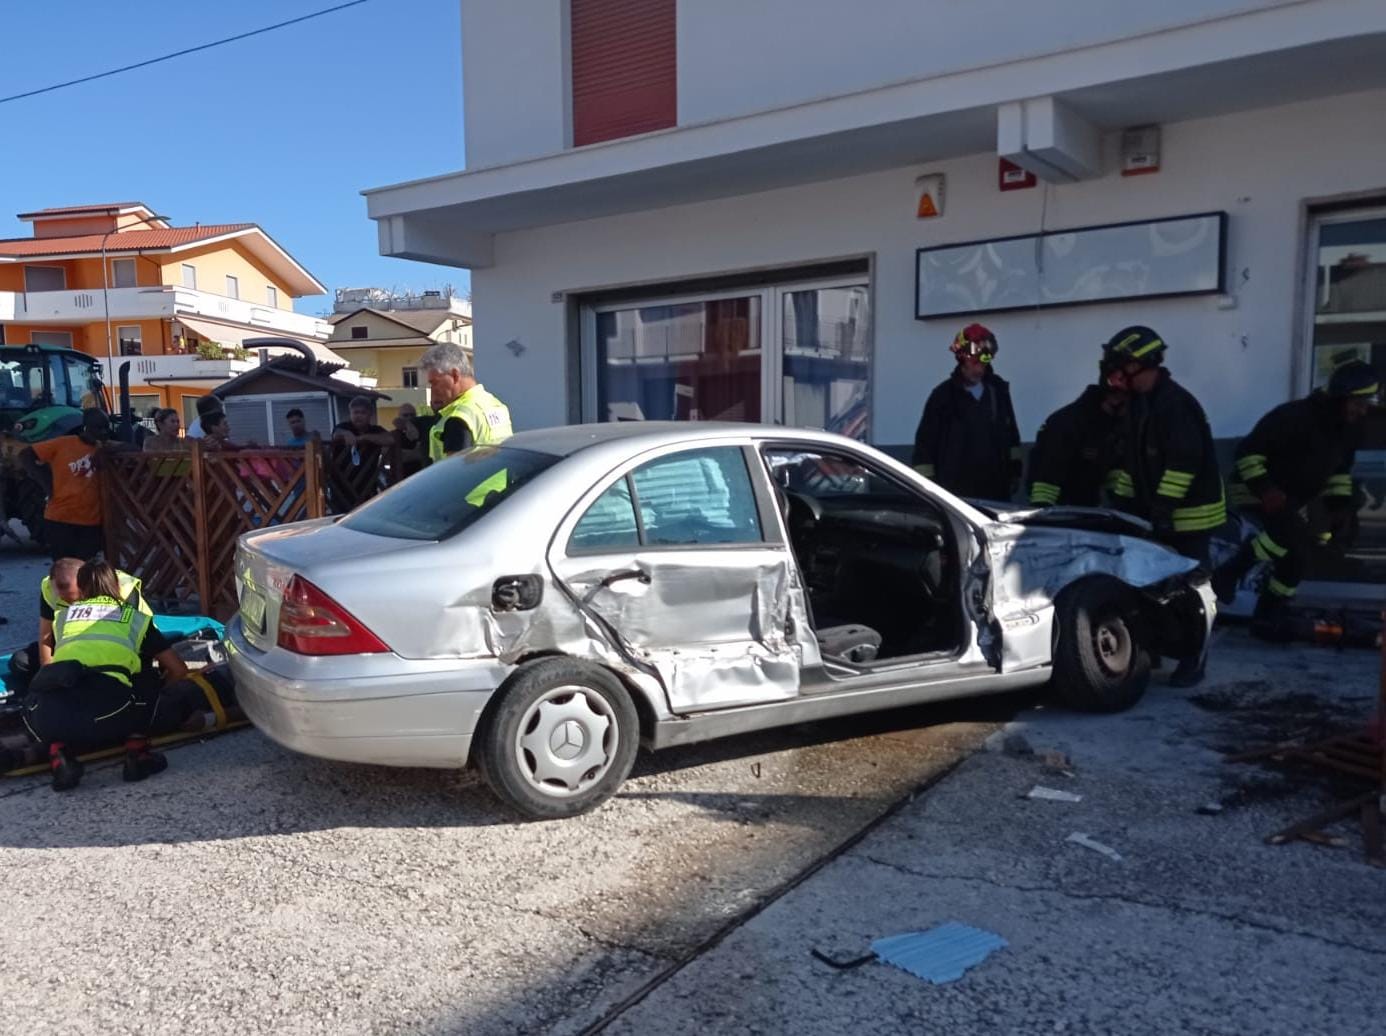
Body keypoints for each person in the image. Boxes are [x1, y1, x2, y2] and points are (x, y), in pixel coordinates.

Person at [1101, 326, 1224, 687]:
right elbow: (1131, 463)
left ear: (1142, 363)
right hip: (1158, 516)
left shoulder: (1175, 404)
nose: (1120, 375)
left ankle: (1193, 659)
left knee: (1191, 592)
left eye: (1124, 367)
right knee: (1152, 590)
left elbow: (1183, 463)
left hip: (1190, 517)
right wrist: (1122, 505)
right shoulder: (1141, 405)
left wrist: (1164, 508)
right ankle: (1158, 648)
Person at [1213, 360, 1376, 620]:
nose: (1363, 410)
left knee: (1297, 559)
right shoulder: (1293, 417)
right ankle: (1228, 573)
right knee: (1290, 540)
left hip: (1290, 498)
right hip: (1252, 487)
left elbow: (1340, 473)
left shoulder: (1348, 430)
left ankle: (1268, 615)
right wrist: (1266, 489)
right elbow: (1247, 454)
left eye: (1367, 403)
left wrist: (1339, 508)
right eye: (1358, 402)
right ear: (1340, 397)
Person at [18, 560, 189, 791]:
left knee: (36, 698)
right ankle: (137, 751)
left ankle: (59, 752)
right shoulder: (134, 618)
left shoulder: (64, 617)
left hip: (53, 719)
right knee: (146, 677)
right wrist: (163, 691)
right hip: (111, 713)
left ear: (82, 588)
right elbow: (178, 669)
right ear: (117, 586)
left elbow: (47, 645)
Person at [6, 556, 153, 693]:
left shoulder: (123, 588)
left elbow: (139, 635)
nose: (72, 604)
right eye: (64, 599)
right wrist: (49, 674)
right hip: (73, 647)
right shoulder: (50, 589)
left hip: (116, 648)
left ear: (87, 585)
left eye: (75, 599)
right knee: (20, 662)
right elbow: (46, 635)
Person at [911, 323, 1022, 501]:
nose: (980, 367)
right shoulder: (942, 396)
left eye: (986, 359)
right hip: (955, 494)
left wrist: (1015, 471)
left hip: (995, 490)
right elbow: (925, 446)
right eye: (975, 359)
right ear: (962, 357)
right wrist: (929, 488)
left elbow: (1011, 435)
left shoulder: (998, 390)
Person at [21, 408, 110, 561]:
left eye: (106, 428)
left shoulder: (104, 448)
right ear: (86, 427)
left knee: (85, 567)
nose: (103, 432)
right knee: (63, 568)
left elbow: (133, 448)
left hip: (90, 520)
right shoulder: (64, 443)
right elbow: (25, 455)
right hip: (61, 519)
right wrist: (45, 482)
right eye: (98, 428)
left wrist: (110, 448)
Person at [1026, 379, 1128, 508]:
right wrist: (1042, 512)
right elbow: (1047, 473)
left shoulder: (1112, 426)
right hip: (1057, 504)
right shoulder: (1068, 423)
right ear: (1114, 400)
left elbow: (1114, 469)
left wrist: (1123, 505)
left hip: (1087, 504)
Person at [418, 341, 513, 463]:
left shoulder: (458, 418)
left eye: (435, 382)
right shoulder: (494, 404)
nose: (433, 389)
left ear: (455, 375)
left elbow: (454, 474)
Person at [332, 396, 394, 465]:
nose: (359, 416)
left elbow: (391, 439)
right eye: (355, 412)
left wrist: (364, 437)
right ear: (350, 414)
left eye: (363, 413)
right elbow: (336, 434)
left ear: (370, 414)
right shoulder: (343, 427)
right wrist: (346, 433)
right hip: (340, 474)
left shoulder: (375, 430)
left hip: (369, 475)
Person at [392, 402, 428, 477]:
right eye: (405, 415)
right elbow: (393, 458)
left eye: (412, 415)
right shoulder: (394, 435)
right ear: (399, 417)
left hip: (421, 477)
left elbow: (422, 455)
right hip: (400, 480)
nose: (409, 418)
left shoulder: (424, 434)